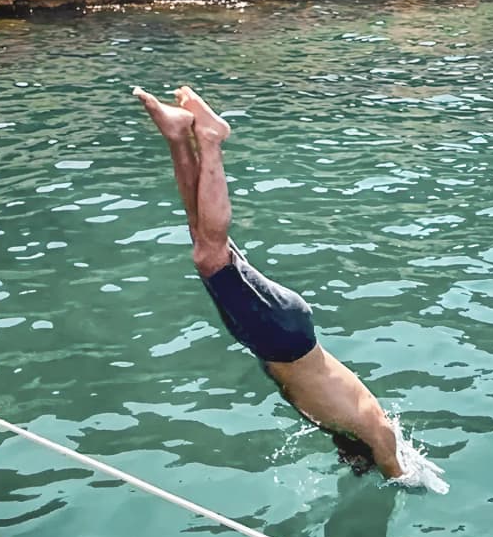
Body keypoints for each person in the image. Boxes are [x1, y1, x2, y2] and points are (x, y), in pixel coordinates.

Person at [133, 84, 405, 480]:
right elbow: (398, 473)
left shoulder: (341, 430)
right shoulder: (378, 434)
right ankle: (211, 138)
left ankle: (178, 135)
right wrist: (402, 482)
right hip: (284, 336)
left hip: (271, 341)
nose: (349, 462)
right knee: (210, 255)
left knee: (203, 238)